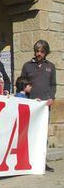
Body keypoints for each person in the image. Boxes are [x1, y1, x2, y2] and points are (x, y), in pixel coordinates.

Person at [21, 39, 56, 172]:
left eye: (42, 51)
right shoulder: (27, 65)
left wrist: (51, 98)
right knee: (28, 132)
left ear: (46, 52)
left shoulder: (51, 66)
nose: (39, 54)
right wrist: (25, 97)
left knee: (42, 134)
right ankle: (26, 161)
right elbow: (21, 83)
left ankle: (42, 161)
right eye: (37, 51)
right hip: (30, 104)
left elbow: (53, 84)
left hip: (44, 106)